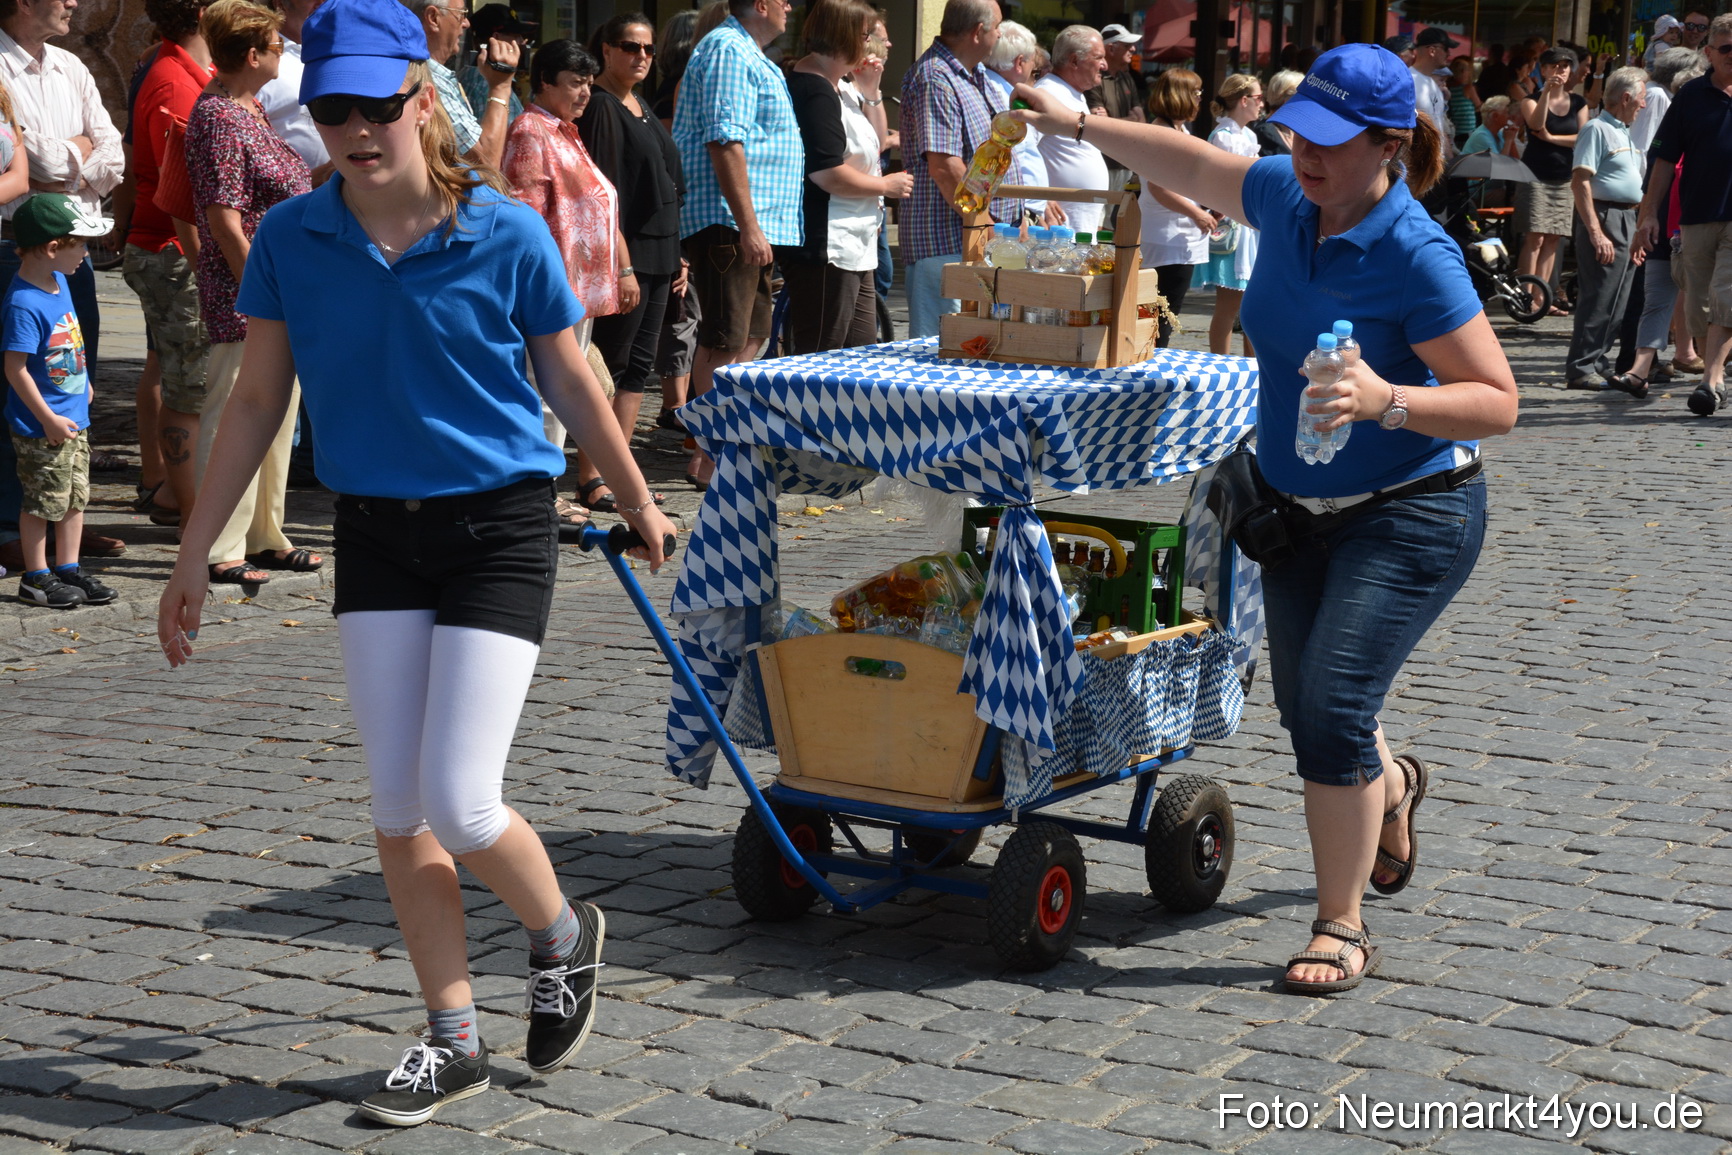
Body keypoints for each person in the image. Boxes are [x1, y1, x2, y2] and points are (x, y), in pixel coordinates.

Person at [158, 0, 677, 1124]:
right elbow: (256, 399)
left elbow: (574, 382)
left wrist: (635, 497)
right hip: (378, 532)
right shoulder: (296, 237)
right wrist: (195, 552)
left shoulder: (499, 230)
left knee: (461, 795)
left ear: (420, 100)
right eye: (331, 108)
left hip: (498, 523)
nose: (353, 129)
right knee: (400, 811)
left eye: (374, 105)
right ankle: (451, 1036)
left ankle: (559, 931)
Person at [1012, 40, 1517, 995]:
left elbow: (1498, 399)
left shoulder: (1418, 254)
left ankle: (1342, 924)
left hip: (1411, 513)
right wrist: (1076, 124)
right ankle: (1393, 785)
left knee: (1328, 709)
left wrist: (1384, 399)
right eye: (1297, 132)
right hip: (1293, 509)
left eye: (1329, 141)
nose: (1305, 153)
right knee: (1313, 706)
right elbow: (1191, 163)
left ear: (1391, 144)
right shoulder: (1288, 195)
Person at [184, 0, 323, 586]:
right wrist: (259, 291)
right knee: (232, 410)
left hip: (279, 287)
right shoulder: (218, 114)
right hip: (247, 290)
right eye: (273, 45)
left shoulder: (251, 108)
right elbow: (223, 219)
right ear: (251, 55)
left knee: (278, 410)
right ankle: (221, 543)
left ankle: (265, 532)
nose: (281, 52)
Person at [0, 0, 127, 574]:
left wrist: (72, 159)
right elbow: (31, 163)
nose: (74, 2)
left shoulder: (71, 67)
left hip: (73, 250)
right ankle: (16, 523)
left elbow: (114, 153)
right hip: (17, 246)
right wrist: (77, 153)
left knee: (74, 374)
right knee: (21, 378)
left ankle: (64, 516)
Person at [503, 41, 637, 525]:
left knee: (562, 392)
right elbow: (525, 217)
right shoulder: (529, 131)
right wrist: (543, 288)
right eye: (575, 82)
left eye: (588, 81)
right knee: (547, 391)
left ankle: (544, 491)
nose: (585, 91)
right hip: (551, 291)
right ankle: (539, 495)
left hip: (574, 291)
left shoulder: (563, 130)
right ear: (544, 82)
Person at [672, 0, 802, 486]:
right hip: (731, 221)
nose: (790, 8)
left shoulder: (746, 51)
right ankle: (707, 458)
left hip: (753, 222)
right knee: (724, 340)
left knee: (750, 337)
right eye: (784, 0)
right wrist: (748, 224)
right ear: (762, 4)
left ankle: (719, 448)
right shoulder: (728, 50)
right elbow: (725, 140)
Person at [579, 15, 684, 510]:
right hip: (630, 253)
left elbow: (666, 180)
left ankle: (624, 474)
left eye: (648, 49)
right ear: (605, 50)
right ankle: (591, 474)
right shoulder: (601, 106)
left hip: (661, 251)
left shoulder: (638, 102)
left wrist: (677, 252)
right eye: (629, 47)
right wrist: (621, 265)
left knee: (640, 366)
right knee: (613, 361)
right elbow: (605, 194)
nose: (641, 56)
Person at [121, 0, 213, 536]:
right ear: (203, 11)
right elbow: (182, 195)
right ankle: (190, 513)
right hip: (174, 254)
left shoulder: (177, 69)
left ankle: (169, 492)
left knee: (173, 372)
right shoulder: (175, 80)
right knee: (189, 386)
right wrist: (204, 264)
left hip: (168, 251)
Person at [3, 194, 113, 607]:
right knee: (41, 501)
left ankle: (68, 567)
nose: (86, 253)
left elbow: (67, 341)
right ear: (52, 248)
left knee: (75, 496)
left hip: (73, 416)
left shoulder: (60, 281)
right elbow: (15, 369)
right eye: (81, 244)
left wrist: (82, 383)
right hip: (42, 426)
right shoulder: (23, 303)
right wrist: (46, 416)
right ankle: (36, 576)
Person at [781, 0, 909, 353]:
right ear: (844, 36)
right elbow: (826, 174)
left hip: (854, 241)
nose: (870, 45)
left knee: (859, 355)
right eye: (865, 35)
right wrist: (886, 186)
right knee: (821, 355)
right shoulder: (815, 89)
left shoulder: (837, 85)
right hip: (828, 244)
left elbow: (878, 143)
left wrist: (870, 90)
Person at [899, 0, 1013, 339]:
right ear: (978, 32)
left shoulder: (972, 74)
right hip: (949, 244)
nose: (1000, 33)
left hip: (973, 240)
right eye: (997, 27)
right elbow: (946, 168)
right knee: (946, 351)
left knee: (978, 349)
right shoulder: (937, 77)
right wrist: (986, 228)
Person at [1637, 13, 1732, 416]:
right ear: (1709, 52)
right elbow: (1663, 159)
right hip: (1695, 215)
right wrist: (1649, 215)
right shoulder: (1690, 96)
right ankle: (1717, 366)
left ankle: (1710, 381)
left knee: (1726, 294)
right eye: (1726, 48)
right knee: (1697, 308)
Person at [1563, 67, 1648, 392]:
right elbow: (1581, 180)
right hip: (1606, 216)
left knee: (1618, 300)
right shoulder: (1597, 129)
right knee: (1599, 296)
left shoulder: (1621, 130)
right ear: (1626, 97)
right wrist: (1596, 232)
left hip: (1625, 217)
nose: (1642, 106)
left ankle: (1597, 363)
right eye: (1640, 99)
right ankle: (1582, 367)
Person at [399, 0, 520, 170]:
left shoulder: (431, 76)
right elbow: (485, 162)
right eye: (461, 14)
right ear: (433, 18)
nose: (466, 23)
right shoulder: (428, 80)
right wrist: (501, 87)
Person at [1137, 67, 1210, 347]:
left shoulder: (1176, 129)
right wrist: (1197, 213)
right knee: (1161, 316)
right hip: (1167, 237)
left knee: (1165, 314)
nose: (1200, 99)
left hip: (1174, 235)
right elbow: (1159, 187)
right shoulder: (1162, 132)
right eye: (1197, 93)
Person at [1514, 48, 1587, 319]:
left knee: (1554, 239)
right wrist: (1546, 92)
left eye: (1566, 66)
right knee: (1534, 237)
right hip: (1535, 176)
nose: (1561, 71)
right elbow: (1535, 123)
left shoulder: (1578, 102)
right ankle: (1526, 297)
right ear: (1542, 70)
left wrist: (1552, 139)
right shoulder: (1530, 100)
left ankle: (1542, 297)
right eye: (1555, 66)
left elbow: (1582, 137)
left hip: (1564, 177)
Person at [1192, 73, 1261, 357]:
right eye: (1258, 98)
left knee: (1251, 304)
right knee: (1229, 305)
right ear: (1243, 100)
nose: (1262, 104)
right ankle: (1219, 362)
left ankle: (1250, 364)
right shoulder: (1224, 136)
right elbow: (1219, 183)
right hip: (1233, 222)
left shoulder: (1248, 135)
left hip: (1250, 222)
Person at [1035, 25, 1109, 235]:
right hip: (1057, 231)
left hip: (1079, 227)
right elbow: (1018, 150)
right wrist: (1041, 197)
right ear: (1075, 60)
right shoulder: (1046, 93)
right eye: (1099, 57)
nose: (1105, 65)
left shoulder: (1073, 92)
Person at [983, 20, 1055, 227]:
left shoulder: (999, 90)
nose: (1035, 69)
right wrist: (1025, 213)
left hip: (1019, 213)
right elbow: (1007, 158)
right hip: (1011, 217)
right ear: (1019, 62)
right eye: (1034, 64)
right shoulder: (999, 96)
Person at [457, 3, 528, 124]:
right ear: (496, 38)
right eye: (516, 36)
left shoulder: (484, 76)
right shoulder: (485, 81)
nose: (522, 41)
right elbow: (498, 138)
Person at [1410, 27, 1458, 160]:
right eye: (1446, 49)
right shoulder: (1407, 81)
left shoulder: (1433, 85)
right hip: (1415, 167)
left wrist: (1449, 163)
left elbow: (1440, 127)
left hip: (1434, 167)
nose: (1448, 54)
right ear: (1432, 50)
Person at [1252, 68, 1301, 156]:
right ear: (1287, 100)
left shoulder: (1295, 130)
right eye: (1301, 98)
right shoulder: (1265, 132)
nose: (1305, 103)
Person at [1447, 56, 1480, 145]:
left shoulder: (1449, 88)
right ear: (1463, 72)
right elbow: (1479, 106)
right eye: (1468, 70)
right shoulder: (1468, 88)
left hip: (1456, 131)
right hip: (1468, 131)